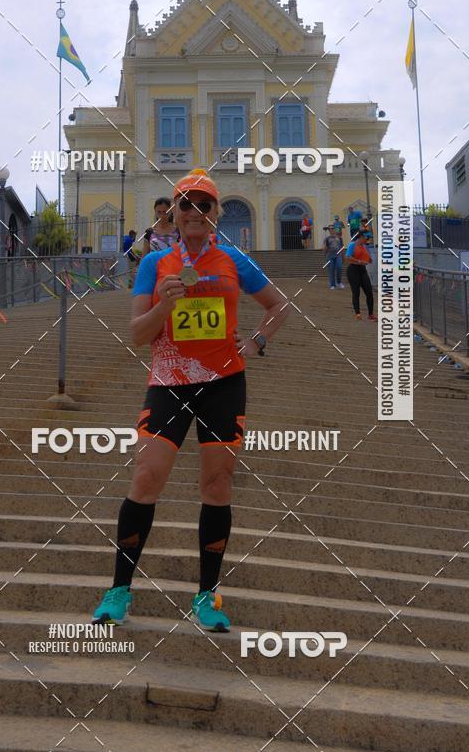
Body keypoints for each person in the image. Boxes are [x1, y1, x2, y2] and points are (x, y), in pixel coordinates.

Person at [92, 168, 288, 632]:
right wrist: (164, 304)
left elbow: (279, 305)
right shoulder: (154, 264)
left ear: (215, 212)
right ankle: (119, 590)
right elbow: (137, 334)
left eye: (204, 205)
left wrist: (256, 342)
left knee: (217, 485)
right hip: (168, 382)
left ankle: (207, 596)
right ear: (174, 214)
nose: (195, 212)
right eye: (186, 204)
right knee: (147, 476)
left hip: (224, 383)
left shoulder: (233, 260)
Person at [346, 232, 377, 320]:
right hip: (353, 270)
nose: (367, 240)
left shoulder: (364, 246)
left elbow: (368, 258)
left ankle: (370, 314)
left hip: (362, 270)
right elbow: (348, 257)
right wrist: (359, 261)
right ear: (361, 237)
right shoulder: (352, 245)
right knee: (356, 292)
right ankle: (358, 313)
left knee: (369, 292)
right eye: (366, 238)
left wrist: (369, 260)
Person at [323, 225, 344, 290]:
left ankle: (339, 282)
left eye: (332, 228)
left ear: (334, 229)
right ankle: (332, 284)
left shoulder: (339, 238)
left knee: (339, 267)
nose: (331, 230)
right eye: (329, 229)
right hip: (330, 256)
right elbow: (324, 249)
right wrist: (325, 247)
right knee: (331, 270)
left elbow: (342, 247)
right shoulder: (327, 239)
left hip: (338, 255)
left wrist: (343, 256)